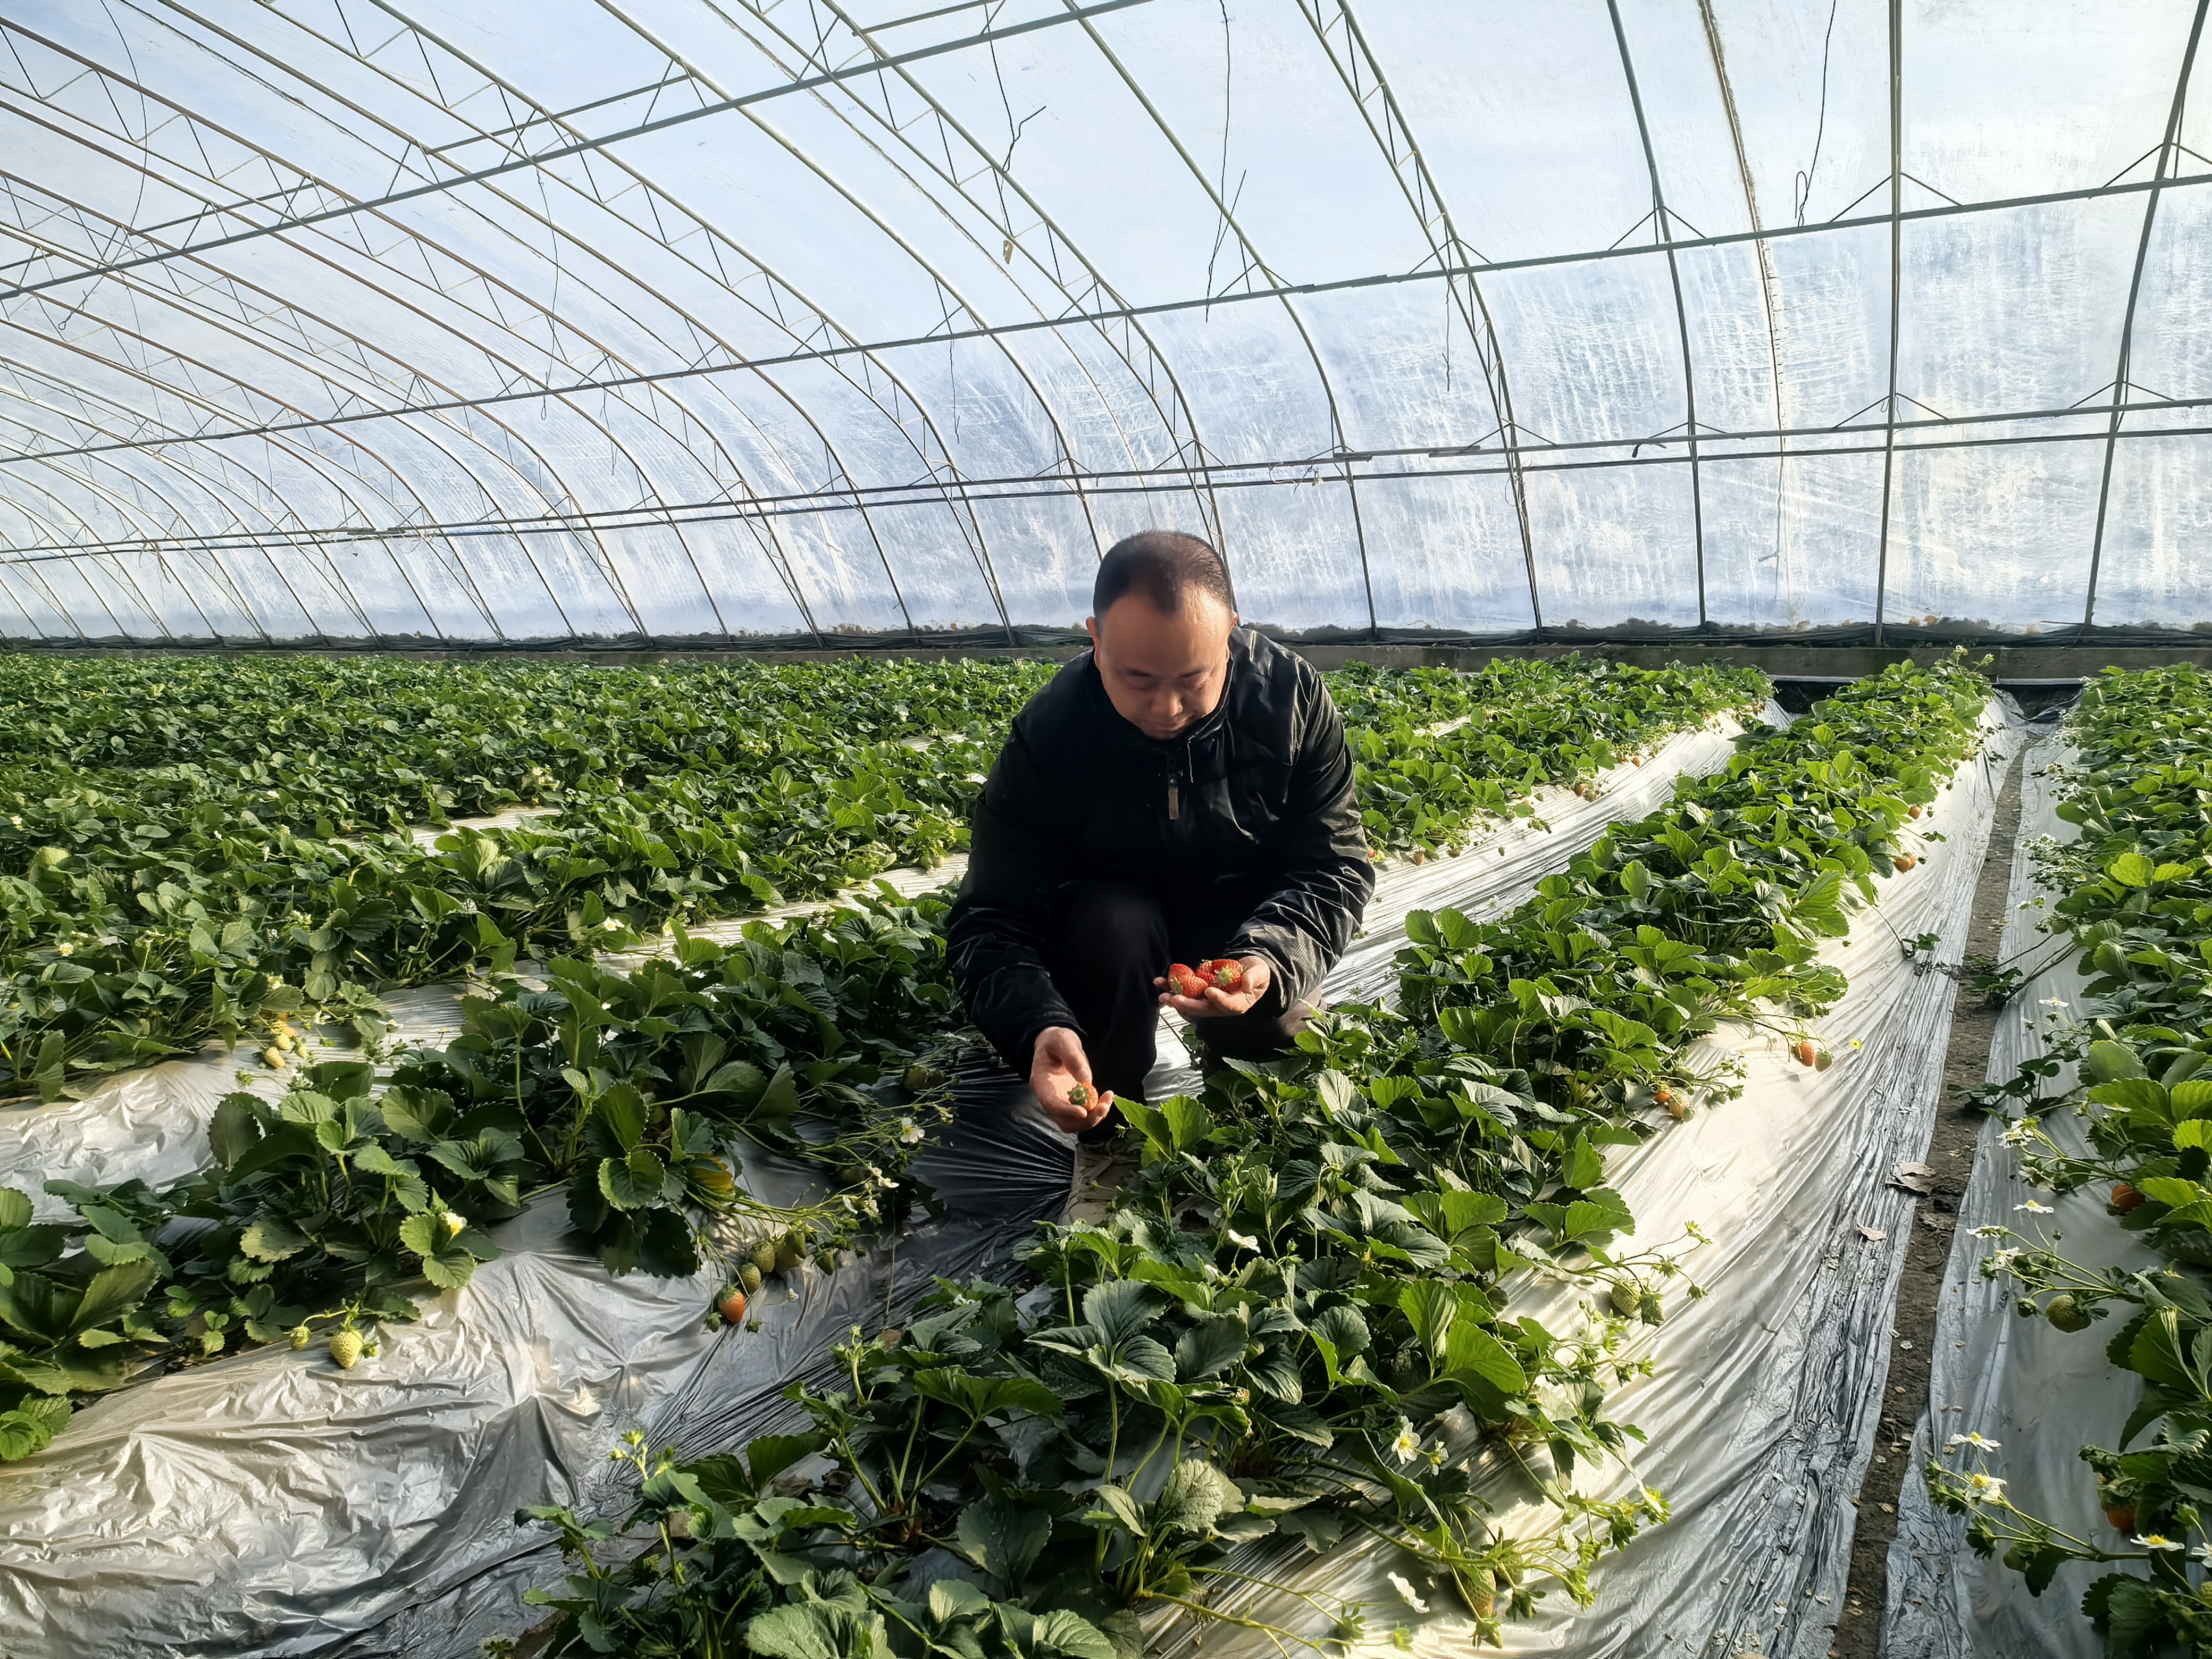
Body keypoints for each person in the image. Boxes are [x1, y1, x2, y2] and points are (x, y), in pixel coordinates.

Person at [945, 530, 1375, 1136]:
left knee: (1269, 1057)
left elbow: (1333, 866)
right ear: (1095, 641)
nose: (1167, 708)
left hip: (1242, 917)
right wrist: (1038, 1025)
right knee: (1109, 930)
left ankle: (1245, 1124)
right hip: (1109, 934)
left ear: (1229, 630)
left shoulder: (1290, 701)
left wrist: (1268, 960)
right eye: (1139, 680)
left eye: (1193, 679)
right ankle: (1108, 1126)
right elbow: (991, 918)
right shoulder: (1052, 734)